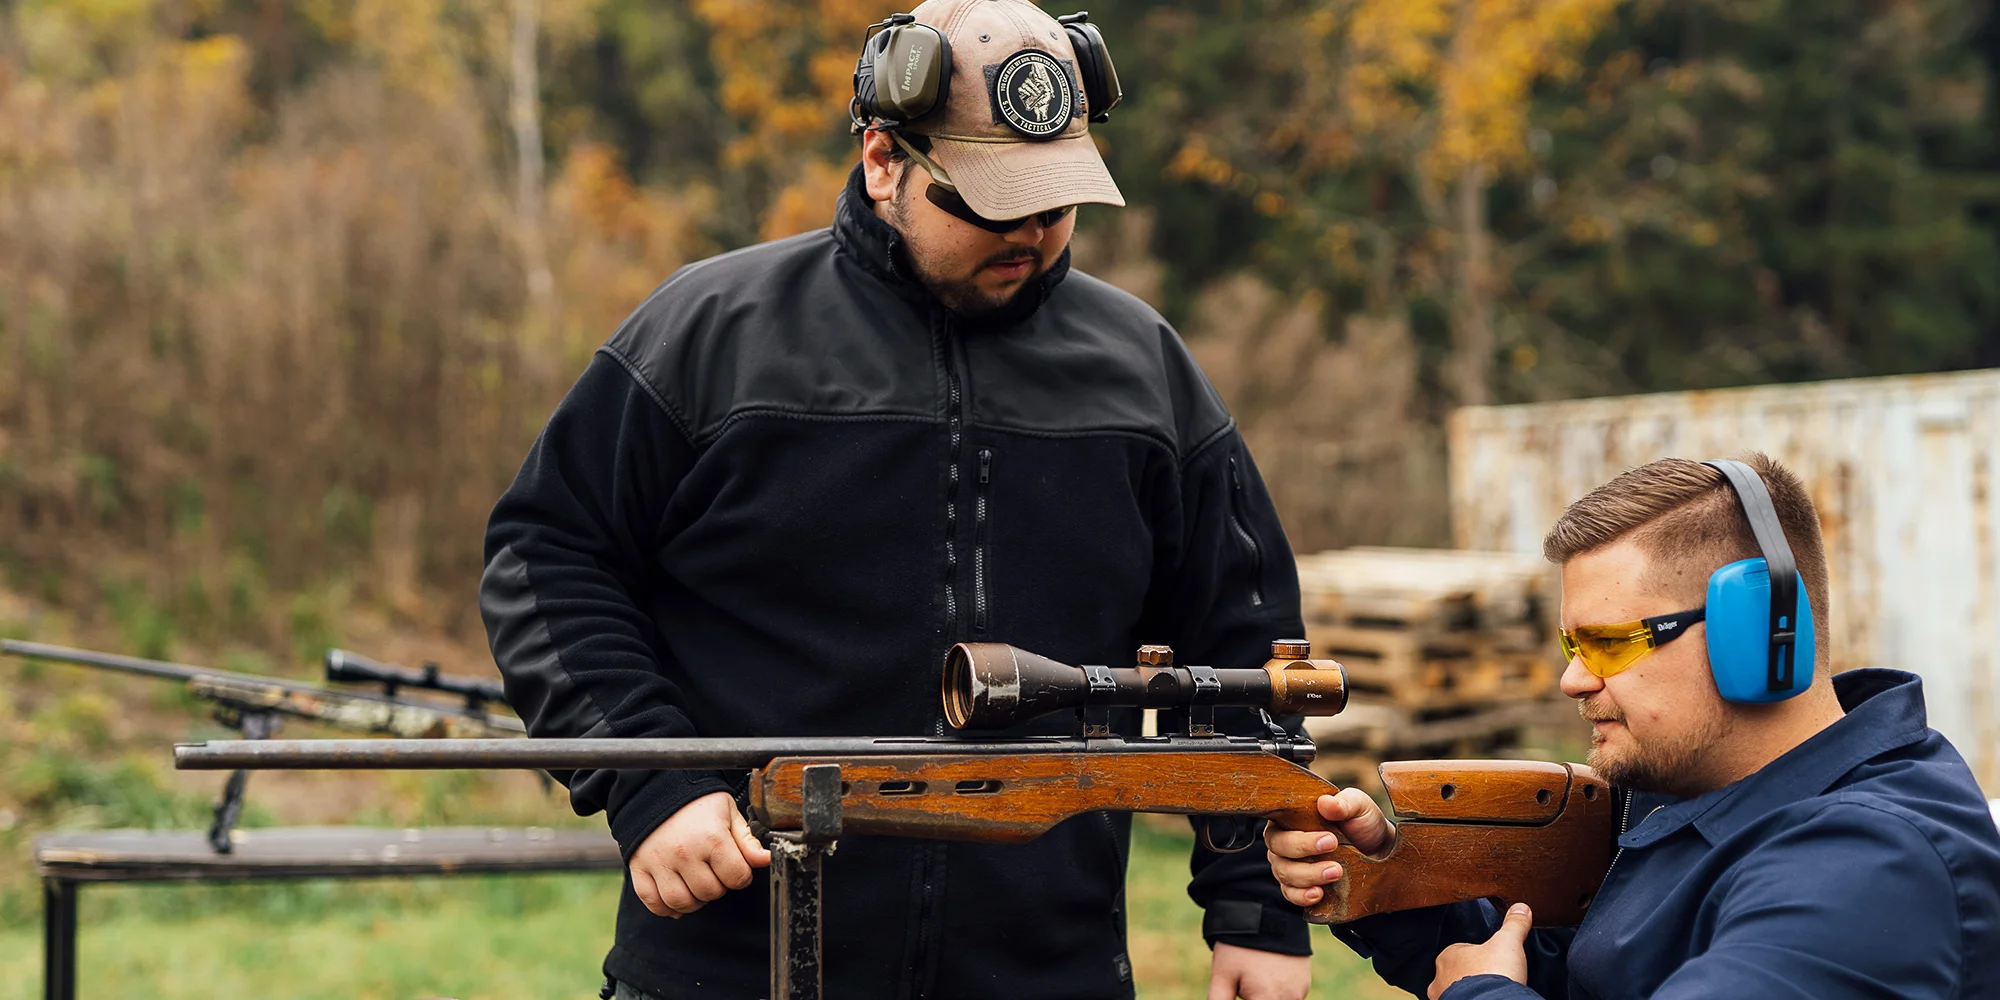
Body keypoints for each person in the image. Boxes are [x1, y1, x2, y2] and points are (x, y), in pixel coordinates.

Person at [480, 2, 1314, 997]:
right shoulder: (707, 335)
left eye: (1054, 204)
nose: (1032, 236)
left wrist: (1256, 909)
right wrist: (649, 783)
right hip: (729, 965)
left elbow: (1240, 643)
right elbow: (547, 559)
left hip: (1046, 974)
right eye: (991, 204)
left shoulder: (1146, 374)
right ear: (885, 162)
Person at [1265, 454, 2000, 999]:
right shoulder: (1696, 794)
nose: (1573, 679)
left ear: (1760, 634)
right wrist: (1388, 886)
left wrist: (1479, 996)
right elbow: (1602, 976)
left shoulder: (1867, 867)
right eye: (1570, 645)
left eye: (1610, 643)